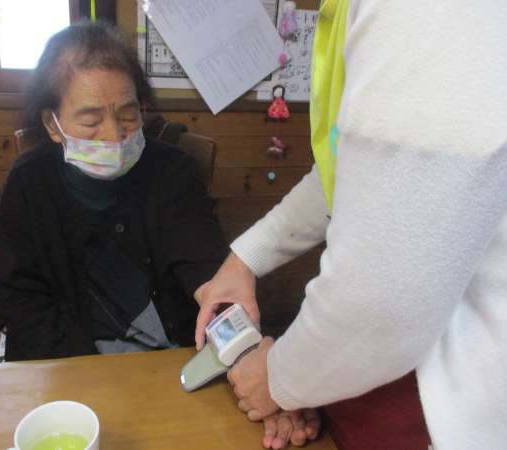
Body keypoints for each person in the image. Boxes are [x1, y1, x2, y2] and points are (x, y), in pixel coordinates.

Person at [0, 21, 317, 449]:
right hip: (67, 360)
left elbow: (209, 277)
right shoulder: (27, 184)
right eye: (90, 120)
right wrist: (81, 377)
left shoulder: (171, 172)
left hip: (171, 360)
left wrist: (255, 363)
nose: (115, 134)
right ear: (52, 124)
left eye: (128, 115)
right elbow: (18, 297)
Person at [195, 1, 507, 449]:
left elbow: (383, 299)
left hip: (452, 406)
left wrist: (278, 378)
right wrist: (245, 259)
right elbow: (355, 170)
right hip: (375, 373)